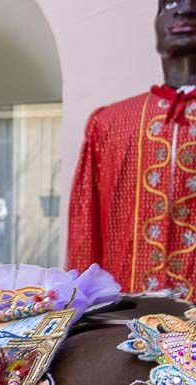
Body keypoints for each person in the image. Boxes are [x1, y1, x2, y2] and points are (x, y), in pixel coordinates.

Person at [68, 0, 196, 297]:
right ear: (156, 25)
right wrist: (78, 309)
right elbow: (85, 235)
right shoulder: (110, 124)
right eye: (171, 3)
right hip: (123, 325)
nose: (184, 10)